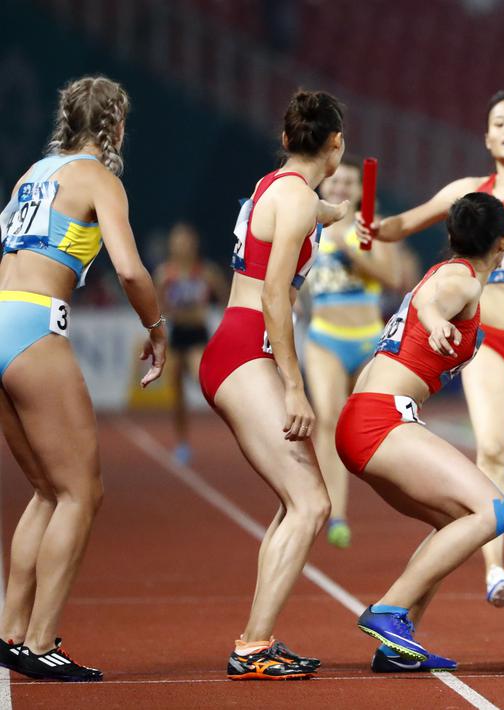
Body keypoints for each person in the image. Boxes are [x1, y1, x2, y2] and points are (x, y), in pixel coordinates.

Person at [363, 89, 504, 605]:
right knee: (490, 444)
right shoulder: (468, 190)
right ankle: (493, 570)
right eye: (499, 122)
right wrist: (370, 227)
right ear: (486, 138)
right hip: (488, 339)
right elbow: (399, 225)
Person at [0, 76, 165, 681]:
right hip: (34, 327)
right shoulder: (99, 178)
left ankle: (12, 632)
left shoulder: (31, 174)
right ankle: (40, 642)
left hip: (0, 316)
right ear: (115, 127)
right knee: (80, 492)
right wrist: (158, 326)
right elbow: (129, 268)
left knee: (47, 488)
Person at [198, 89, 350, 680]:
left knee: (298, 502)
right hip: (248, 349)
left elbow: (318, 213)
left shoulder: (280, 188)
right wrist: (294, 386)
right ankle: (253, 646)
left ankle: (256, 639)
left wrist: (342, 216)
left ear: (288, 140)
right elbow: (272, 295)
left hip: (236, 344)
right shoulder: (293, 200)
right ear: (335, 144)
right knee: (312, 503)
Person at [337, 192, 504, 673]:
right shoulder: (461, 280)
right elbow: (435, 304)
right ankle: (389, 611)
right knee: (494, 510)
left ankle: (398, 642)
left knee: (455, 520)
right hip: (381, 418)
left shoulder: (447, 272)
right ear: (502, 243)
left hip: (371, 415)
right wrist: (435, 321)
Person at [304, 159, 404, 549]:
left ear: (360, 190)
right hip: (325, 337)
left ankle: (401, 498)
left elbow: (392, 278)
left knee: (377, 423)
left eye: (350, 181)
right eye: (335, 180)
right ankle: (337, 514)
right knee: (328, 419)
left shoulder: (373, 228)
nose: (342, 185)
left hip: (367, 339)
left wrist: (354, 250)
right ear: (324, 188)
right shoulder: (309, 228)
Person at [155, 222, 226, 465]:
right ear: (172, 245)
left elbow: (226, 300)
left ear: (194, 243)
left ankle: (234, 427)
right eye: (178, 240)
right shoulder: (165, 274)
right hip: (177, 335)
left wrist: (209, 313)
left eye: (186, 240)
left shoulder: (207, 272)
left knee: (205, 382)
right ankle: (182, 443)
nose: (182, 245)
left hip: (198, 334)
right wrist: (164, 321)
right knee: (177, 395)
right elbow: (159, 310)